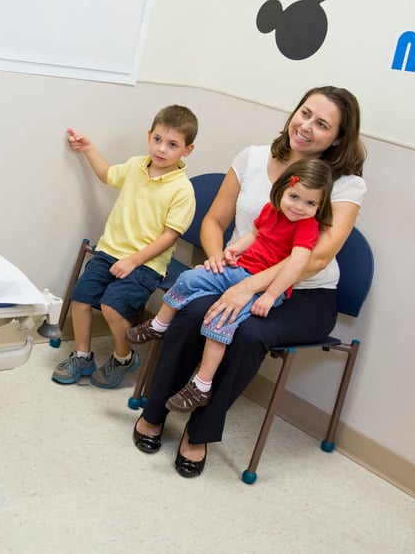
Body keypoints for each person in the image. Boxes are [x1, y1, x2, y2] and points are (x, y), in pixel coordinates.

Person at [131, 86, 367, 480]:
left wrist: (247, 287)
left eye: (322, 124)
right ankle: (155, 410)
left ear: (338, 138)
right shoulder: (254, 158)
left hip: (305, 294)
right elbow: (213, 222)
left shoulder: (344, 184)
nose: (306, 127)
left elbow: (316, 258)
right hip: (240, 272)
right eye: (305, 113)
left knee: (246, 334)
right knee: (191, 313)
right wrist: (217, 262)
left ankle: (199, 434)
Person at [126, 158, 334, 413]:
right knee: (189, 279)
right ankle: (159, 325)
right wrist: (235, 249)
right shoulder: (271, 209)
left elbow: (296, 264)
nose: (300, 207)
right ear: (282, 190)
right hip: (238, 269)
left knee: (221, 321)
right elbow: (255, 235)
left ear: (320, 206)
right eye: (294, 197)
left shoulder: (306, 227)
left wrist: (270, 295)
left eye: (311, 203)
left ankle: (201, 385)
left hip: (261, 286)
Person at [52, 105, 199, 389]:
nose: (162, 149)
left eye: (172, 145)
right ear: (149, 135)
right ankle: (83, 356)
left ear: (187, 150)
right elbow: (108, 174)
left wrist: (133, 261)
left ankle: (123, 358)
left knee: (112, 307)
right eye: (157, 139)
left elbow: (169, 236)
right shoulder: (135, 166)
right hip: (109, 251)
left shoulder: (182, 190)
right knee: (80, 298)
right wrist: (89, 149)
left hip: (145, 264)